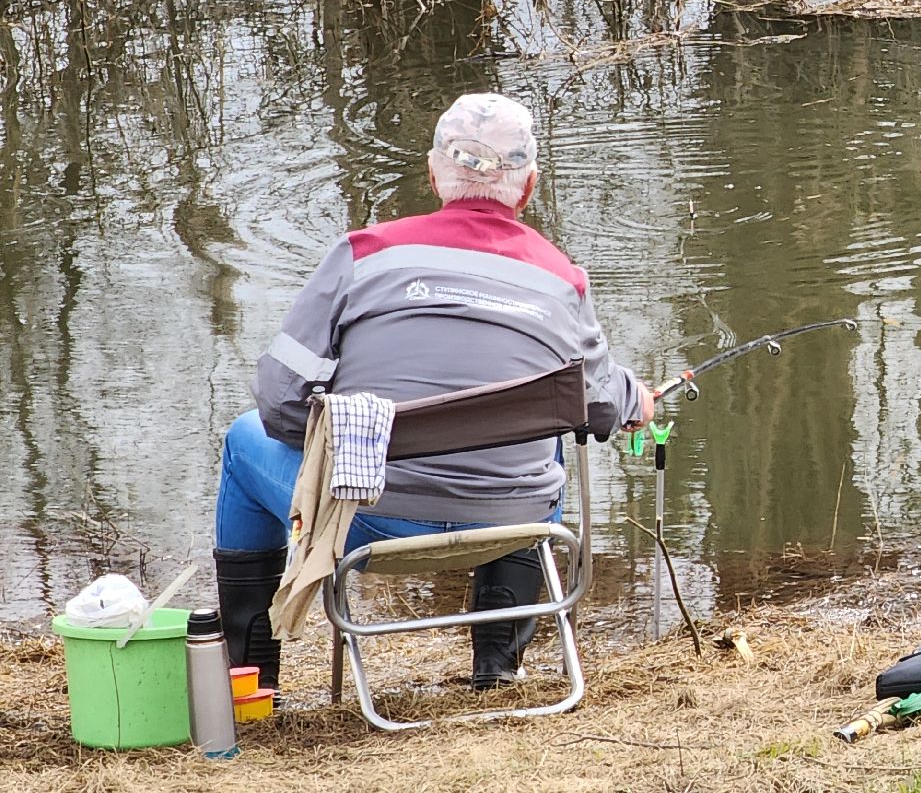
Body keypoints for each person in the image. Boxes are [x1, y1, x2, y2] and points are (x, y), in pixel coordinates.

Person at [213, 93, 653, 690]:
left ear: (434, 173)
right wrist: (638, 399)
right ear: (529, 184)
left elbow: (280, 400)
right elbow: (600, 406)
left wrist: (337, 439)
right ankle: (497, 665)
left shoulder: (363, 254)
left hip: (369, 523)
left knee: (243, 440)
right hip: (515, 520)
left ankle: (250, 675)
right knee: (542, 431)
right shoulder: (563, 277)